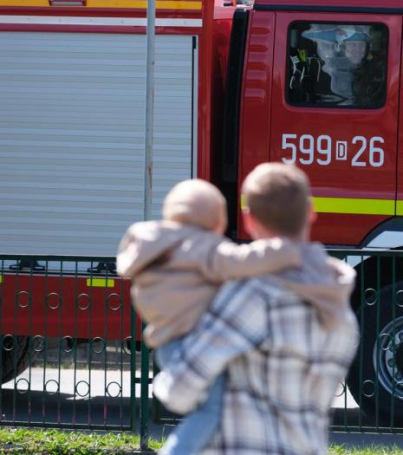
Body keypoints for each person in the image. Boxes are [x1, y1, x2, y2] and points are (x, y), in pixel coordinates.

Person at [153, 163, 360, 455]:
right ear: (311, 211)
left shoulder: (255, 294)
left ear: (249, 220)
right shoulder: (341, 306)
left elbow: (179, 392)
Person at [116, 179, 302, 455]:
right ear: (215, 219)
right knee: (213, 411)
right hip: (197, 345)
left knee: (218, 411)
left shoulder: (153, 242)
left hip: (167, 345)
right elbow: (243, 261)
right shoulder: (203, 247)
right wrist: (281, 249)